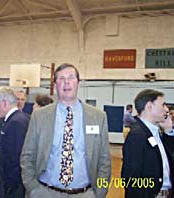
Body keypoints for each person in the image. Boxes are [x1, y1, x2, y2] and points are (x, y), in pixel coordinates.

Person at [20, 63, 111, 198]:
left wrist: (100, 193)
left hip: (85, 193)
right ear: (55, 84)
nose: (66, 82)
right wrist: (33, 189)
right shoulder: (39, 117)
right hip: (45, 193)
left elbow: (104, 161)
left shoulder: (98, 117)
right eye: (61, 78)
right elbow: (27, 155)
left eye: (71, 77)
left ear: (78, 83)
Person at [121, 89, 174, 198]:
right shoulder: (137, 136)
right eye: (163, 105)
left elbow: (166, 160)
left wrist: (168, 130)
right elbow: (130, 180)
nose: (167, 109)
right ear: (149, 106)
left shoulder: (155, 130)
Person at [0, 86, 30, 198]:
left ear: (4, 103)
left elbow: (14, 159)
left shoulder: (15, 123)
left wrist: (6, 187)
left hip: (14, 187)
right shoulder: (22, 118)